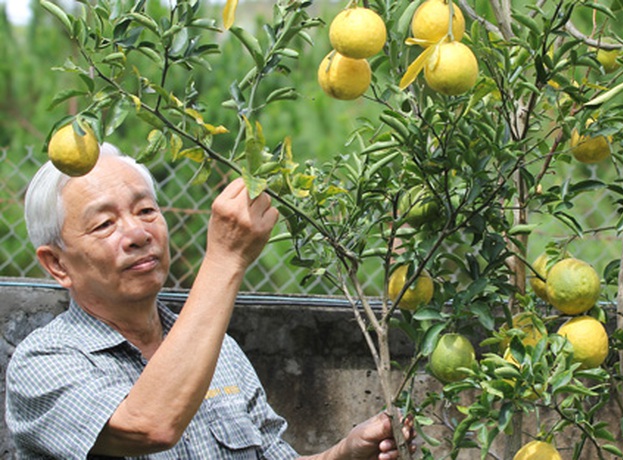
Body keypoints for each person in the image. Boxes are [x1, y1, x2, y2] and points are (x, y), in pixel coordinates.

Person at [5, 143, 415, 459]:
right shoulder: (43, 364)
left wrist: (344, 452)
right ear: (57, 264)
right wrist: (226, 257)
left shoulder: (220, 352)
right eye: (105, 223)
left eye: (146, 210)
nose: (137, 233)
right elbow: (150, 425)